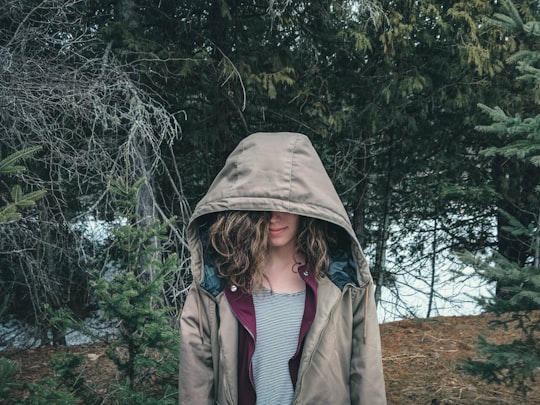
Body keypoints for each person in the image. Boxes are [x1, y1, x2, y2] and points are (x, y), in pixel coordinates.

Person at [179, 132, 387, 404]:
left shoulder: (343, 282)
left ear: (308, 206)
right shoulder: (215, 283)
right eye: (261, 205)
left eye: (286, 204)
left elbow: (366, 372)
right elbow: (196, 378)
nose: (273, 217)